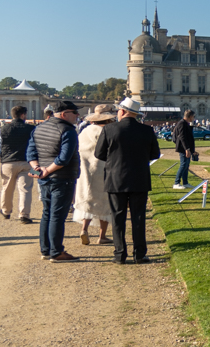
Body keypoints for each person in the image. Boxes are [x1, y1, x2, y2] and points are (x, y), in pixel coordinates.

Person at [94, 98, 161, 264]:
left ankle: (120, 254)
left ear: (122, 111)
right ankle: (139, 254)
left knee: (118, 218)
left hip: (116, 178)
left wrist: (114, 158)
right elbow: (155, 154)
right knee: (138, 217)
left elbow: (99, 154)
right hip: (139, 177)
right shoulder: (147, 131)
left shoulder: (110, 129)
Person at [27, 100, 82, 262]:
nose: (77, 115)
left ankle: (46, 249)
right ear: (64, 114)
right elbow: (63, 158)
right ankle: (56, 251)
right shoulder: (68, 130)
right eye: (75, 112)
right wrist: (47, 170)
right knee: (57, 215)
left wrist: (37, 168)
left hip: (44, 177)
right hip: (61, 177)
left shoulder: (39, 128)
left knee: (47, 213)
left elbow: (30, 151)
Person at [73, 104, 117, 246]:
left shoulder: (85, 131)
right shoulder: (107, 131)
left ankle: (84, 229)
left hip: (85, 169)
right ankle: (102, 236)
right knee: (104, 202)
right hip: (103, 168)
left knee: (88, 199)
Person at [0, 105, 35, 223]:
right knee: (25, 189)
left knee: (7, 188)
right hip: (27, 162)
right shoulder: (31, 129)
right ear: (23, 115)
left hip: (8, 163)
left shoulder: (2, 129)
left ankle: (6, 211)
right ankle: (24, 214)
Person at [172, 109, 197, 189]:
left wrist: (192, 150)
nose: (193, 118)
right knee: (183, 165)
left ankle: (185, 182)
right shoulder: (182, 124)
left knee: (186, 165)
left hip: (187, 148)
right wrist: (187, 149)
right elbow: (182, 137)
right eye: (193, 116)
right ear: (190, 116)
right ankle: (176, 183)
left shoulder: (185, 124)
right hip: (183, 148)